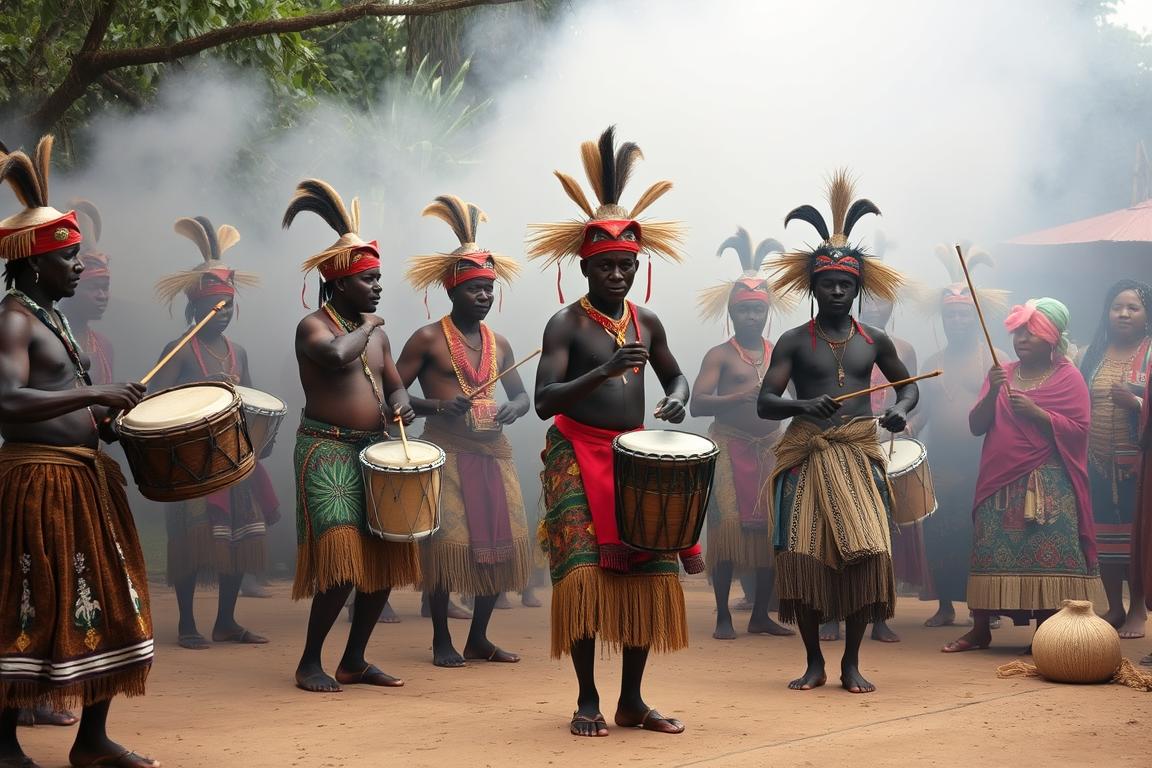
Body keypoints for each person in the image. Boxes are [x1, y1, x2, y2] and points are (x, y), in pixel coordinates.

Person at [529, 127, 704, 737]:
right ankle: (587, 699)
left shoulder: (647, 322)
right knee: (583, 576)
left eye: (626, 265)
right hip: (575, 452)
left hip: (634, 457)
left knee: (647, 579)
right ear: (585, 266)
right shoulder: (566, 324)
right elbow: (543, 401)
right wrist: (603, 371)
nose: (618, 275)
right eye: (606, 266)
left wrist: (677, 399)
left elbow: (676, 377)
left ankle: (632, 700)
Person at [0, 136, 158, 768]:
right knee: (32, 604)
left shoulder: (54, 318)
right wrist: (94, 392)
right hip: (36, 482)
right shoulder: (14, 319)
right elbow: (8, 401)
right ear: (35, 263)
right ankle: (4, 745)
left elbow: (64, 397)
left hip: (84, 479)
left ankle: (91, 741)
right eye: (68, 257)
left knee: (112, 599)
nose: (79, 267)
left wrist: (108, 420)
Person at [757, 170, 915, 694]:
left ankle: (850, 662)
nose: (839, 291)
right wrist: (802, 403)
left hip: (858, 454)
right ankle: (813, 662)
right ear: (814, 286)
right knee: (803, 557)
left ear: (858, 287)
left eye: (847, 284)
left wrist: (900, 411)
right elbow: (766, 403)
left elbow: (908, 390)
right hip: (806, 452)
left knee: (867, 555)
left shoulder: (876, 339)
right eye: (829, 283)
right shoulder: (792, 341)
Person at [283, 178, 420, 693]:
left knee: (384, 557)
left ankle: (354, 660)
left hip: (374, 450)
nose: (378, 287)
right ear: (339, 284)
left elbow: (396, 384)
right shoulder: (313, 326)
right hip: (326, 448)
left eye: (378, 278)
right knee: (342, 558)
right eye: (368, 279)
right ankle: (309, 662)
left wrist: (402, 402)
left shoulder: (378, 335)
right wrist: (367, 326)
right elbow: (338, 355)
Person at [397, 194, 532, 667]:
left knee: (499, 545)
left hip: (494, 453)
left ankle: (479, 638)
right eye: (475, 289)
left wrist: (513, 409)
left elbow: (523, 396)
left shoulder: (501, 343)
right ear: (452, 290)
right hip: (446, 451)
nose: (484, 297)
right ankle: (441, 639)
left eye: (489, 289)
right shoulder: (428, 338)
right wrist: (436, 404)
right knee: (446, 549)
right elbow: (392, 392)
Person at [943, 298, 1106, 653]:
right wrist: (993, 390)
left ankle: (1044, 632)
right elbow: (976, 426)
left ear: (1052, 337)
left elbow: (1080, 430)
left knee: (1046, 554)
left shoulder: (1068, 377)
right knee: (988, 552)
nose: (1022, 339)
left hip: (1049, 483)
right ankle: (980, 629)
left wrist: (1038, 413)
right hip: (998, 479)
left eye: (1031, 333)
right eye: (1018, 333)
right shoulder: (1002, 372)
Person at [148, 216, 277, 650]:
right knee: (192, 541)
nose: (222, 314)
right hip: (190, 462)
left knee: (237, 540)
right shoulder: (179, 349)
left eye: (228, 306)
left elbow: (251, 399)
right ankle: (187, 623)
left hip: (234, 458)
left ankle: (226, 621)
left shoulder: (238, 351)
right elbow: (156, 402)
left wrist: (261, 435)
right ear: (196, 307)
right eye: (214, 307)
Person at [691, 227, 793, 640]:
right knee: (728, 534)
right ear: (733, 313)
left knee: (770, 533)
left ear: (767, 312)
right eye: (745, 310)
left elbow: (799, 397)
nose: (752, 317)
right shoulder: (719, 355)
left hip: (771, 448)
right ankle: (722, 616)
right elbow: (697, 403)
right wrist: (740, 396)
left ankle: (760, 616)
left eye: (758, 310)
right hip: (729, 447)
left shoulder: (780, 352)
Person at [818, 274, 921, 644]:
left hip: (879, 443)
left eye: (884, 302)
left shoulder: (896, 346)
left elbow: (908, 391)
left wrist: (902, 414)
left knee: (880, 530)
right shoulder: (826, 340)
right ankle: (830, 613)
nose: (877, 307)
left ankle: (878, 615)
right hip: (833, 441)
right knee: (831, 528)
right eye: (872, 300)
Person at [917, 244, 1009, 628]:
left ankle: (983, 607)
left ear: (976, 318)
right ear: (942, 319)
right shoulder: (932, 362)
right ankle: (944, 605)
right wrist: (906, 427)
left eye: (963, 314)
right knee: (940, 533)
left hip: (983, 461)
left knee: (981, 533)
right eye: (950, 315)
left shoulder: (995, 358)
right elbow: (923, 411)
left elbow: (1008, 411)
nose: (956, 321)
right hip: (941, 461)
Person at [1077, 280, 1152, 639]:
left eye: (1132, 308)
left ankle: (1137, 608)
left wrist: (1135, 403)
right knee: (1103, 535)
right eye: (1116, 307)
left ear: (1146, 315)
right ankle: (1114, 607)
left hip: (1139, 464)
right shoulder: (1091, 354)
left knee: (1136, 538)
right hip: (1095, 460)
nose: (1123, 314)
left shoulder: (1150, 352)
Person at [61, 200, 113, 385]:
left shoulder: (103, 345)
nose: (102, 296)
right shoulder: (48, 339)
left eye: (105, 288)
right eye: (93, 287)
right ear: (72, 286)